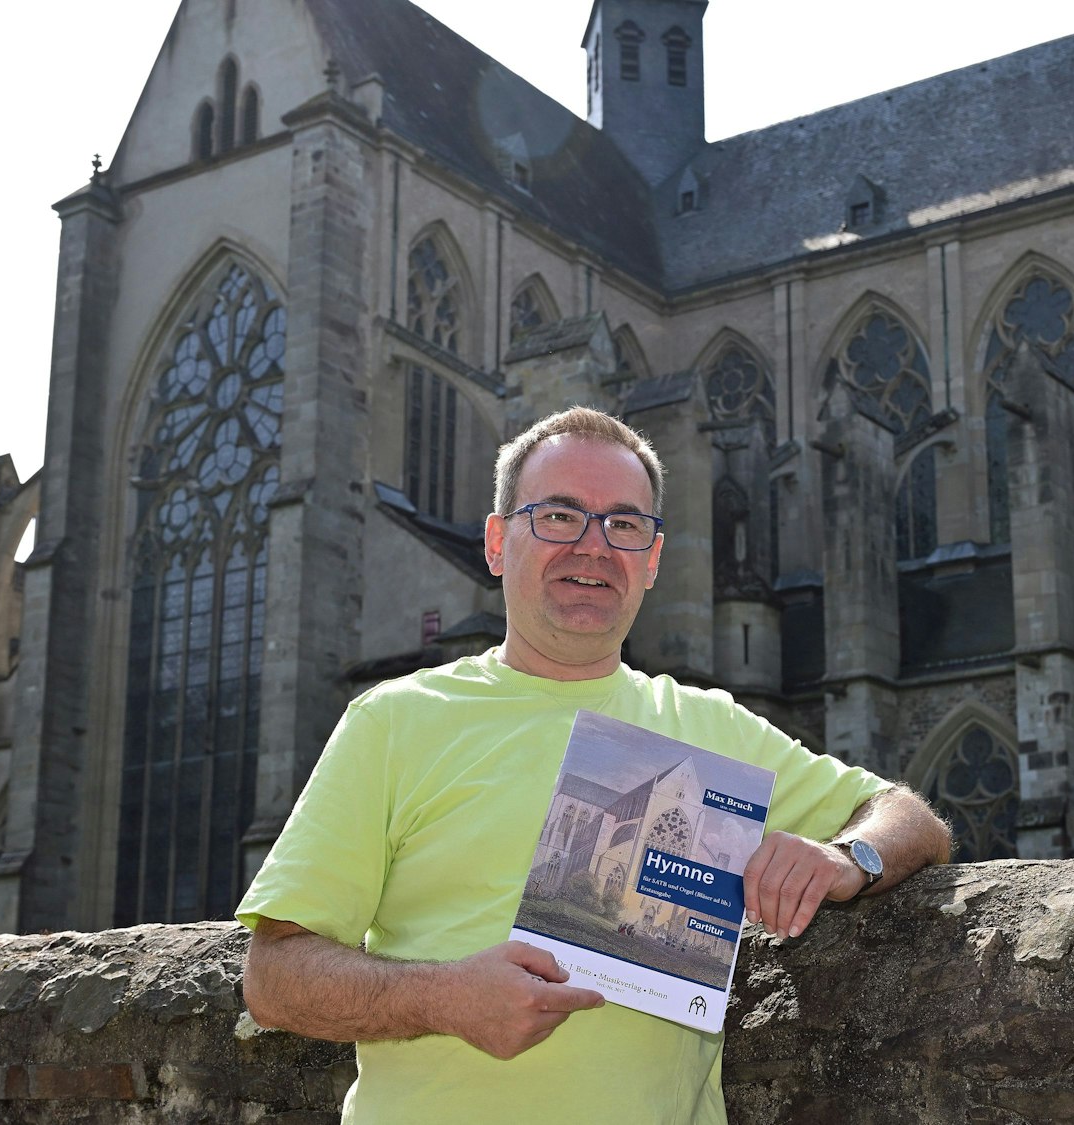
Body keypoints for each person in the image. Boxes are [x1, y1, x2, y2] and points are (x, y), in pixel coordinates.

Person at [238, 406, 952, 1122]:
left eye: (625, 525)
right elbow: (272, 978)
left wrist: (846, 858)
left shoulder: (711, 727)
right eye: (558, 517)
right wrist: (445, 998)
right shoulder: (395, 720)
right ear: (497, 542)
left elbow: (910, 819)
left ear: (652, 559)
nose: (594, 546)